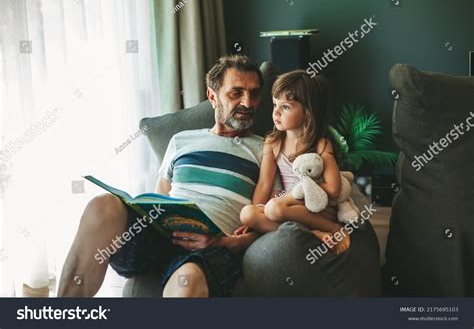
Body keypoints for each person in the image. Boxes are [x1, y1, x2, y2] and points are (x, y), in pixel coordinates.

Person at [58, 55, 333, 298]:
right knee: (102, 205)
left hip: (211, 248)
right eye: (236, 93)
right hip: (157, 237)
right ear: (213, 97)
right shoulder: (181, 140)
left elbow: (269, 217)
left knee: (186, 285)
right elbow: (160, 196)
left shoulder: (267, 149)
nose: (247, 102)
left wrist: (232, 242)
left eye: (254, 93)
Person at [238, 70, 350, 254]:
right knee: (247, 213)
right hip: (286, 209)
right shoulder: (273, 144)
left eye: (286, 107)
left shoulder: (320, 144)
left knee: (275, 208)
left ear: (307, 112)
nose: (276, 112)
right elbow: (264, 184)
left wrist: (289, 198)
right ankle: (313, 234)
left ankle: (332, 228)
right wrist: (254, 220)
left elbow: (334, 189)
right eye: (275, 104)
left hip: (317, 209)